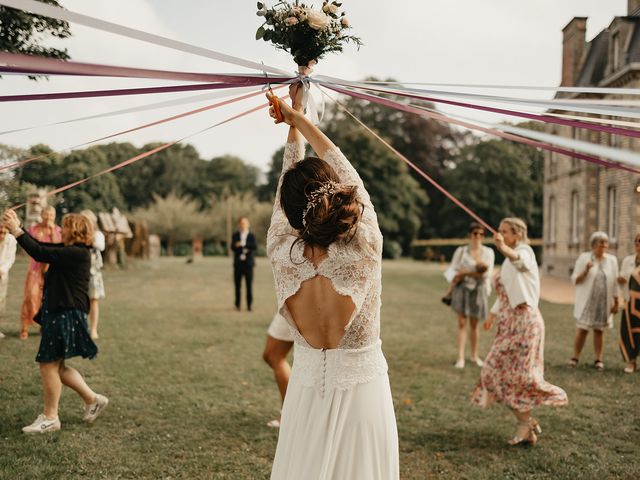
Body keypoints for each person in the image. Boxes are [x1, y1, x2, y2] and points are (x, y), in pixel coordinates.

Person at [266, 84, 399, 479]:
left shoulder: (281, 251)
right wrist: (300, 119)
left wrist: (294, 118)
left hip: (304, 398)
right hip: (363, 396)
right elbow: (350, 177)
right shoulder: (366, 244)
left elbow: (283, 199)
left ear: (290, 214)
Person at [2, 209, 109, 434]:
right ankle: (93, 399)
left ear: (76, 230)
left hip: (65, 314)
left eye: (66, 226)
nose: (62, 229)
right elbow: (42, 246)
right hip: (61, 313)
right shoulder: (71, 250)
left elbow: (40, 252)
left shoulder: (78, 253)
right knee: (57, 366)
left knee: (48, 364)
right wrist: (18, 226)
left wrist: (16, 229)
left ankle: (50, 418)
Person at [471, 218, 568, 446]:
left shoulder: (525, 252)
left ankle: (525, 426)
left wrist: (503, 248)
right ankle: (527, 423)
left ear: (517, 234)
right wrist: (493, 314)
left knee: (520, 377)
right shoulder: (508, 258)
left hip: (525, 324)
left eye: (505, 231)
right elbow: (506, 292)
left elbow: (521, 263)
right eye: (499, 231)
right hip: (508, 324)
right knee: (492, 371)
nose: (500, 234)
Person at [443, 222, 495, 368]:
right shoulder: (461, 251)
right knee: (461, 323)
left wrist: (465, 272)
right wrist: (465, 273)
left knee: (474, 324)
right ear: (469, 235)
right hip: (462, 288)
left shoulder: (488, 252)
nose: (477, 236)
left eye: (481, 234)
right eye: (474, 233)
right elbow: (452, 270)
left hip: (478, 290)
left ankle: (474, 355)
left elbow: (486, 275)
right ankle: (460, 358)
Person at [569, 232, 620, 371]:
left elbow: (615, 282)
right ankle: (575, 357)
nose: (603, 245)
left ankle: (598, 359)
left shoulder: (612, 260)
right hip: (587, 301)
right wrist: (586, 270)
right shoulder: (584, 258)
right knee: (582, 329)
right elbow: (575, 280)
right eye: (600, 243)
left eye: (605, 243)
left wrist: (616, 302)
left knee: (599, 330)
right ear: (593, 245)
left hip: (603, 302)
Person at [19, 205, 61, 339]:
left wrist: (51, 231)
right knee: (31, 296)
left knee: (48, 299)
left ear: (54, 216)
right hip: (35, 269)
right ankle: (25, 327)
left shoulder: (58, 230)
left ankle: (45, 326)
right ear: (42, 215)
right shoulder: (34, 229)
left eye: (51, 215)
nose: (48, 217)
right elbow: (30, 245)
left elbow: (58, 247)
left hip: (52, 271)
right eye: (46, 214)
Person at [262, 312, 294, 428]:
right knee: (272, 356)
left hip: (297, 299)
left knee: (273, 356)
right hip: (289, 300)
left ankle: (290, 413)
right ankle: (291, 411)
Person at [81, 210, 106, 340]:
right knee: (80, 301)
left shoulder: (98, 235)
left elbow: (100, 246)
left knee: (93, 300)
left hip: (93, 273)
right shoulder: (78, 235)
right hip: (79, 273)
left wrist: (88, 237)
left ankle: (93, 329)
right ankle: (81, 327)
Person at [618, 233, 640, 374]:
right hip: (630, 303)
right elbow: (622, 278)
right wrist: (621, 280)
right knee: (629, 332)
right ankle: (631, 362)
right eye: (636, 241)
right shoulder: (628, 260)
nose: (638, 243)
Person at [231, 217, 257, 311]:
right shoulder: (235, 235)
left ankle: (249, 306)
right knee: (237, 286)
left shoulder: (251, 235)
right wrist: (237, 246)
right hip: (238, 264)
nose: (243, 225)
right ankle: (237, 305)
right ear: (239, 225)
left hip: (248, 264)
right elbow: (232, 247)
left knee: (249, 285)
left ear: (248, 224)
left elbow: (254, 246)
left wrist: (242, 245)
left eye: (245, 223)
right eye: (241, 223)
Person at [0, 223, 17, 338]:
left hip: (2, 274)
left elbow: (10, 258)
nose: (1, 230)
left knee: (0, 301)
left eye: (4, 228)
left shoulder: (11, 240)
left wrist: (2, 270)